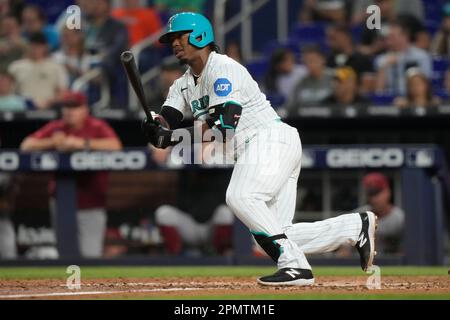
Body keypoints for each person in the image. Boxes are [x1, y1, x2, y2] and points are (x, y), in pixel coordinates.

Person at [140, 12, 377, 286]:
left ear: (200, 35)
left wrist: (171, 138)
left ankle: (296, 266)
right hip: (264, 148)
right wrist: (156, 126)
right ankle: (354, 227)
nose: (174, 43)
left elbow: (223, 126)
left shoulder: (223, 69)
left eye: (179, 36)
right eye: (171, 39)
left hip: (268, 141)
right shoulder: (182, 84)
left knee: (240, 196)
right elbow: (169, 116)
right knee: (271, 232)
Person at [20, 91, 122, 258]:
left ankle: (86, 284)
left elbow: (115, 145)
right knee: (65, 253)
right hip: (62, 201)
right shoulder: (57, 127)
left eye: (75, 107)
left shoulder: (96, 126)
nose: (70, 111)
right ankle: (70, 285)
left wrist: (81, 143)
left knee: (90, 254)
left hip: (92, 200)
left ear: (85, 109)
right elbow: (26, 145)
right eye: (67, 107)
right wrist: (53, 142)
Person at [151, 144, 234, 256]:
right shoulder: (184, 161)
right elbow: (159, 141)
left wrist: (210, 147)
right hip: (188, 225)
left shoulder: (224, 159)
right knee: (164, 213)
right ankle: (175, 259)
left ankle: (222, 256)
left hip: (212, 227)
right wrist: (158, 146)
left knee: (225, 213)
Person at [84, 0, 129, 108]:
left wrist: (104, 55)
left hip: (109, 63)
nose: (95, 6)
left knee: (99, 67)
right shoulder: (85, 25)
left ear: (108, 6)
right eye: (94, 3)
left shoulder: (118, 26)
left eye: (99, 3)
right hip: (85, 60)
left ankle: (96, 104)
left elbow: (118, 47)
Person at [8, 32, 68, 109]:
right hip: (21, 108)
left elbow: (63, 91)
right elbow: (9, 91)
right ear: (28, 46)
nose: (36, 49)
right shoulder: (15, 66)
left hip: (49, 107)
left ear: (45, 47)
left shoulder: (56, 67)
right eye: (33, 46)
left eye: (39, 46)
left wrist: (50, 101)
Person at [374, 21, 432, 96]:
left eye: (392, 37)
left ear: (405, 37)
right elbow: (379, 91)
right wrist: (384, 66)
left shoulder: (421, 56)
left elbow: (426, 84)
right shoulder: (381, 60)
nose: (388, 41)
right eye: (388, 38)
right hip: (389, 101)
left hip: (412, 99)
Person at [359, 172, 404, 254]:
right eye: (370, 194)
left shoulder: (400, 218)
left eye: (377, 193)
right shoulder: (359, 216)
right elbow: (344, 250)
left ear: (388, 192)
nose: (374, 199)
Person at [325, 24, 374, 95]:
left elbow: (366, 87)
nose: (328, 43)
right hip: (333, 102)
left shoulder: (363, 59)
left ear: (344, 37)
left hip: (357, 102)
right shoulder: (330, 60)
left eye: (332, 38)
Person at [286, 45, 334, 114]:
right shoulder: (300, 83)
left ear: (323, 60)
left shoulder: (335, 78)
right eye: (306, 61)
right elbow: (290, 107)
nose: (309, 64)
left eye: (312, 60)